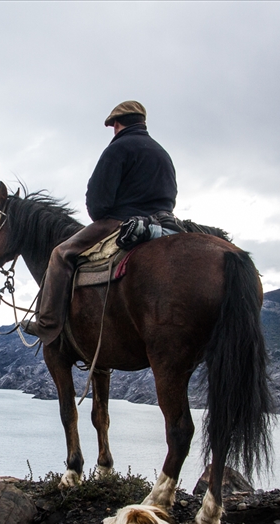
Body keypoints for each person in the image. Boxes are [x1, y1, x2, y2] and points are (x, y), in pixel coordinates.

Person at [24, 100, 178, 345]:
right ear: (142, 122)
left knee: (60, 254)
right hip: (164, 222)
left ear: (116, 124)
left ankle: (47, 324)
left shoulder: (118, 149)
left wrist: (109, 213)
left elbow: (98, 203)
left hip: (121, 221)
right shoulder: (162, 153)